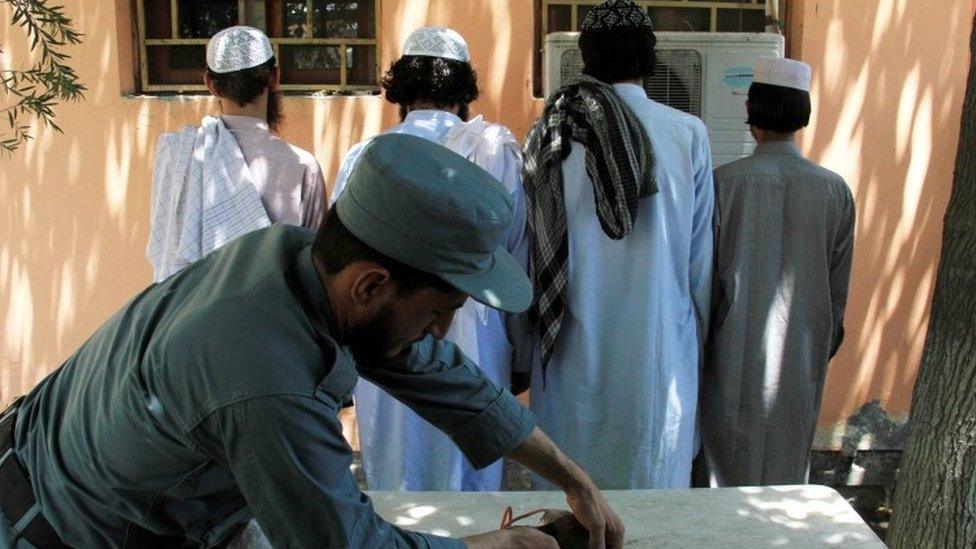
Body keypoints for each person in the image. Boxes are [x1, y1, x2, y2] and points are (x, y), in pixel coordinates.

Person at [0, 134, 624, 548]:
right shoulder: (264, 377)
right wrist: (491, 545)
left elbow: (433, 368)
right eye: (440, 311)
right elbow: (340, 543)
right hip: (46, 527)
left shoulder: (299, 259)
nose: (440, 331)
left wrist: (573, 477)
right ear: (372, 284)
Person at [522, 0, 714, 490]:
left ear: (585, 57)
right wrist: (695, 349)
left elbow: (530, 254)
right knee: (651, 504)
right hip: (658, 351)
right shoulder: (687, 135)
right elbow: (699, 266)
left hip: (569, 351)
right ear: (649, 58)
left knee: (570, 502)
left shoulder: (549, 133)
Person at [330, 26, 532, 492]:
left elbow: (341, 261)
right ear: (463, 88)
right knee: (472, 456)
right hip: (479, 336)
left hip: (385, 340)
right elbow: (517, 253)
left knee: (398, 467)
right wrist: (521, 351)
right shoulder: (495, 149)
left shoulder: (367, 157)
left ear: (401, 87)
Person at [698, 57, 856, 487]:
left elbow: (702, 285)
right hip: (802, 353)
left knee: (722, 475)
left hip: (730, 350)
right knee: (785, 475)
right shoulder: (835, 190)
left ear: (751, 111)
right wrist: (820, 340)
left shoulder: (722, 185)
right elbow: (836, 293)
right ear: (802, 114)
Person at [147, 25, 326, 282]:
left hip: (188, 315)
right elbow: (314, 267)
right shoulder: (302, 167)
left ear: (210, 83)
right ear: (274, 77)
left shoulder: (178, 155)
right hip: (273, 317)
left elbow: (166, 248)